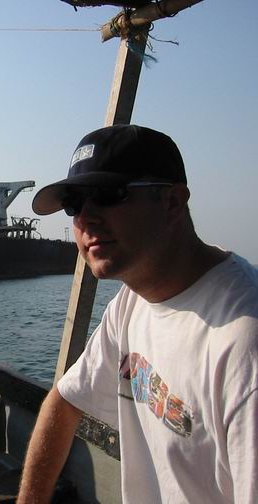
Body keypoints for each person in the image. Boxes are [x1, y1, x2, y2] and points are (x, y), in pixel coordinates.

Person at [17, 125, 257, 503]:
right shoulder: (131, 303)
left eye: (108, 194)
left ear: (172, 202)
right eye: (74, 204)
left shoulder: (243, 345)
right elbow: (64, 402)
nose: (86, 218)